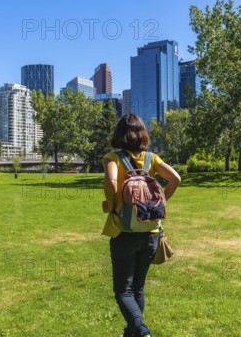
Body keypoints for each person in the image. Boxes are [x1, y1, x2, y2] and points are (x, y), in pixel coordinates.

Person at [101, 114, 181, 337]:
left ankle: (143, 332)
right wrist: (159, 202)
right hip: (151, 232)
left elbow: (112, 182)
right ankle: (131, 333)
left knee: (123, 291)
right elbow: (176, 179)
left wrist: (110, 204)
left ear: (119, 134)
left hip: (124, 232)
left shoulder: (112, 157)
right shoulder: (151, 159)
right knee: (138, 288)